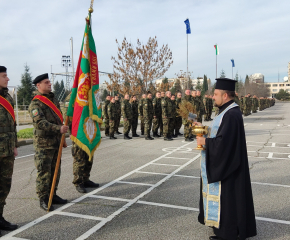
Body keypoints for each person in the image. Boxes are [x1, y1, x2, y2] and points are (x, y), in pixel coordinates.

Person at [196, 78, 257, 240]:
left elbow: (225, 144)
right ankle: (225, 231)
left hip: (229, 168)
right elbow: (222, 135)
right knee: (228, 200)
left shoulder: (231, 114)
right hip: (230, 164)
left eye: (215, 94)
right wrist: (205, 132)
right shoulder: (227, 111)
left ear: (225, 96)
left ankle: (228, 235)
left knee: (228, 200)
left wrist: (205, 142)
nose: (212, 97)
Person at [28, 73, 69, 211]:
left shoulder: (54, 100)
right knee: (44, 172)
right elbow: (40, 123)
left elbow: (58, 118)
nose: (50, 84)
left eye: (49, 82)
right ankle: (43, 198)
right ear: (38, 85)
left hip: (55, 142)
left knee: (55, 170)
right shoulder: (36, 103)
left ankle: (53, 193)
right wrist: (59, 129)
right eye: (46, 82)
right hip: (43, 144)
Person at [64, 93, 99, 194]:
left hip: (88, 131)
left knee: (89, 157)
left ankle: (85, 179)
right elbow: (68, 114)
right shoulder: (73, 95)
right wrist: (71, 131)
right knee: (79, 158)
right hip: (78, 132)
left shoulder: (90, 94)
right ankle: (78, 182)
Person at [0, 66, 18, 234]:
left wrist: (14, 145)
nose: (8, 79)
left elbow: (13, 125)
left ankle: (0, 217)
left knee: (4, 187)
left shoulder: (7, 98)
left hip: (6, 151)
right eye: (5, 76)